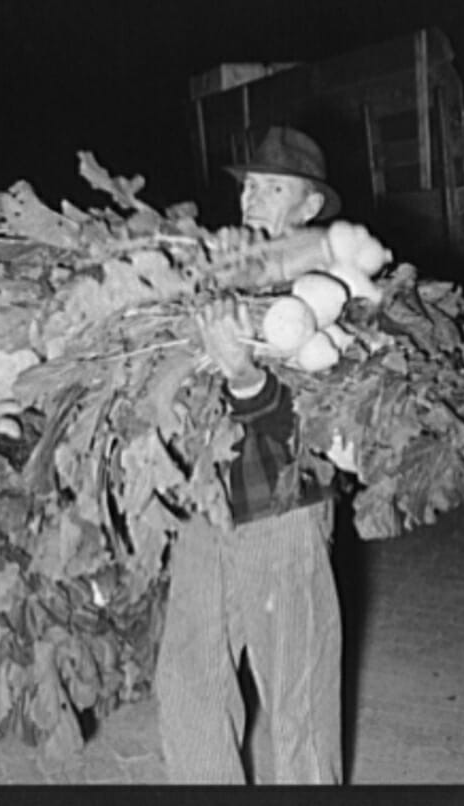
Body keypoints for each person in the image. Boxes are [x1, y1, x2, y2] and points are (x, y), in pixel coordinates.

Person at [155, 126, 344, 784]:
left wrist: (243, 376)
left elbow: (318, 422)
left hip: (281, 508)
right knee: (187, 680)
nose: (252, 199)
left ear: (309, 206)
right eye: (249, 187)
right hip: (207, 503)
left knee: (298, 700)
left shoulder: (332, 285)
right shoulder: (220, 272)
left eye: (272, 188)